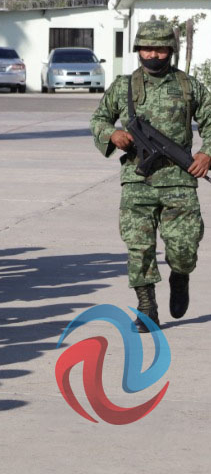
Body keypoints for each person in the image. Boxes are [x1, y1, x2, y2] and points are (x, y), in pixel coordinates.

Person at [89, 19, 211, 332]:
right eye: (147, 48)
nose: (153, 54)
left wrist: (206, 153)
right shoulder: (123, 86)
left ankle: (180, 276)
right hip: (137, 180)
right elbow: (99, 119)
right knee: (138, 247)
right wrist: (111, 134)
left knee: (185, 247)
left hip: (179, 181)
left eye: (159, 48)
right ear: (138, 49)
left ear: (170, 50)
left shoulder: (188, 86)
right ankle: (147, 309)